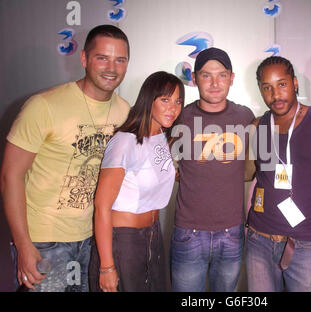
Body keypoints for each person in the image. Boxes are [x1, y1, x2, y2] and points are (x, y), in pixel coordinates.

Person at [0, 24, 130, 292]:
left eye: (120, 60)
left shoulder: (124, 111)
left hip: (91, 239)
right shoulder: (44, 106)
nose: (111, 68)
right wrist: (23, 244)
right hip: (44, 242)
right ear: (84, 58)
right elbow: (9, 176)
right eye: (102, 57)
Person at [245, 56, 311, 292]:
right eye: (267, 87)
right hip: (259, 240)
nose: (275, 94)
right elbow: (248, 172)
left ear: (294, 83)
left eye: (281, 84)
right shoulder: (257, 126)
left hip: (306, 245)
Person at [89, 71, 184, 292]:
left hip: (153, 235)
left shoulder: (161, 135)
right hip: (123, 241)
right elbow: (102, 206)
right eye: (165, 99)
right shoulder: (124, 142)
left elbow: (154, 173)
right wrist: (106, 266)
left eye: (178, 101)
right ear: (148, 100)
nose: (173, 108)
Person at [170, 47, 255, 292]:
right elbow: (162, 160)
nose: (215, 83)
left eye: (222, 75)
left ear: (232, 78)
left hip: (232, 232)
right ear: (195, 79)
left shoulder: (245, 116)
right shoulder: (180, 118)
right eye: (206, 75)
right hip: (189, 232)